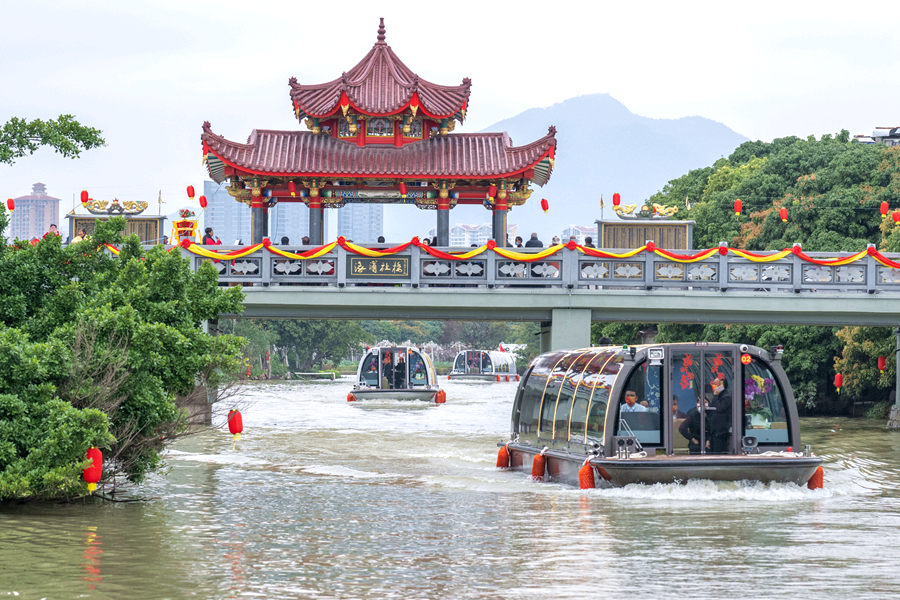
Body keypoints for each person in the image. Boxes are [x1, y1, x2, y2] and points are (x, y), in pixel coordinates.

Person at [709, 378, 733, 454]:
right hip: (714, 430)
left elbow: (718, 408)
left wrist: (715, 396)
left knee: (718, 453)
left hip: (721, 431)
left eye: (716, 384)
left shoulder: (726, 397)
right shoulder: (719, 396)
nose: (714, 387)